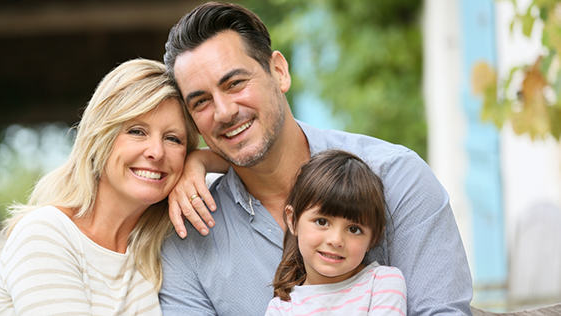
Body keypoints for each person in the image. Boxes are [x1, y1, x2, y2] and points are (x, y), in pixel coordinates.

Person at [158, 2, 473, 315]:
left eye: (236, 83)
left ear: (279, 72)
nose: (224, 112)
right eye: (201, 101)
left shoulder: (396, 178)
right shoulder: (187, 237)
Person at [0, 59, 199, 315]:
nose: (156, 152)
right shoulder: (45, 234)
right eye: (136, 131)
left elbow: (250, 164)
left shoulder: (156, 240)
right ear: (101, 137)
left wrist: (199, 161)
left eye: (173, 139)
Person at [266, 149, 406, 315]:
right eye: (322, 222)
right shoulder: (281, 309)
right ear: (292, 220)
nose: (336, 240)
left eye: (354, 229)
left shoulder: (383, 283)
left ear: (373, 238)